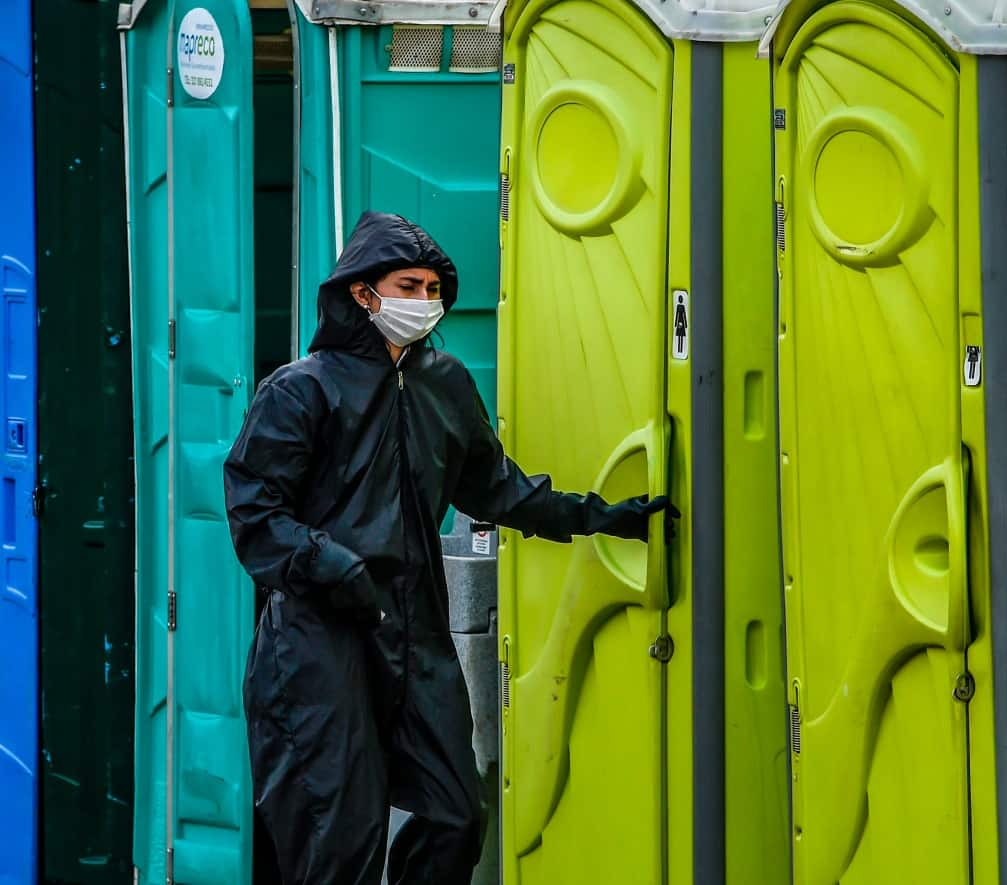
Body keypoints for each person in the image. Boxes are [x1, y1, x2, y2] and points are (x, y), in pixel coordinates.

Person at [224, 212, 674, 885]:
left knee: (455, 816)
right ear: (361, 292)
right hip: (319, 641)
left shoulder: (447, 385)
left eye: (435, 288)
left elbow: (498, 488)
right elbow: (255, 512)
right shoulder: (301, 390)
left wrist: (604, 518)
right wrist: (334, 564)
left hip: (415, 632)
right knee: (338, 838)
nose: (425, 301)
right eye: (409, 284)